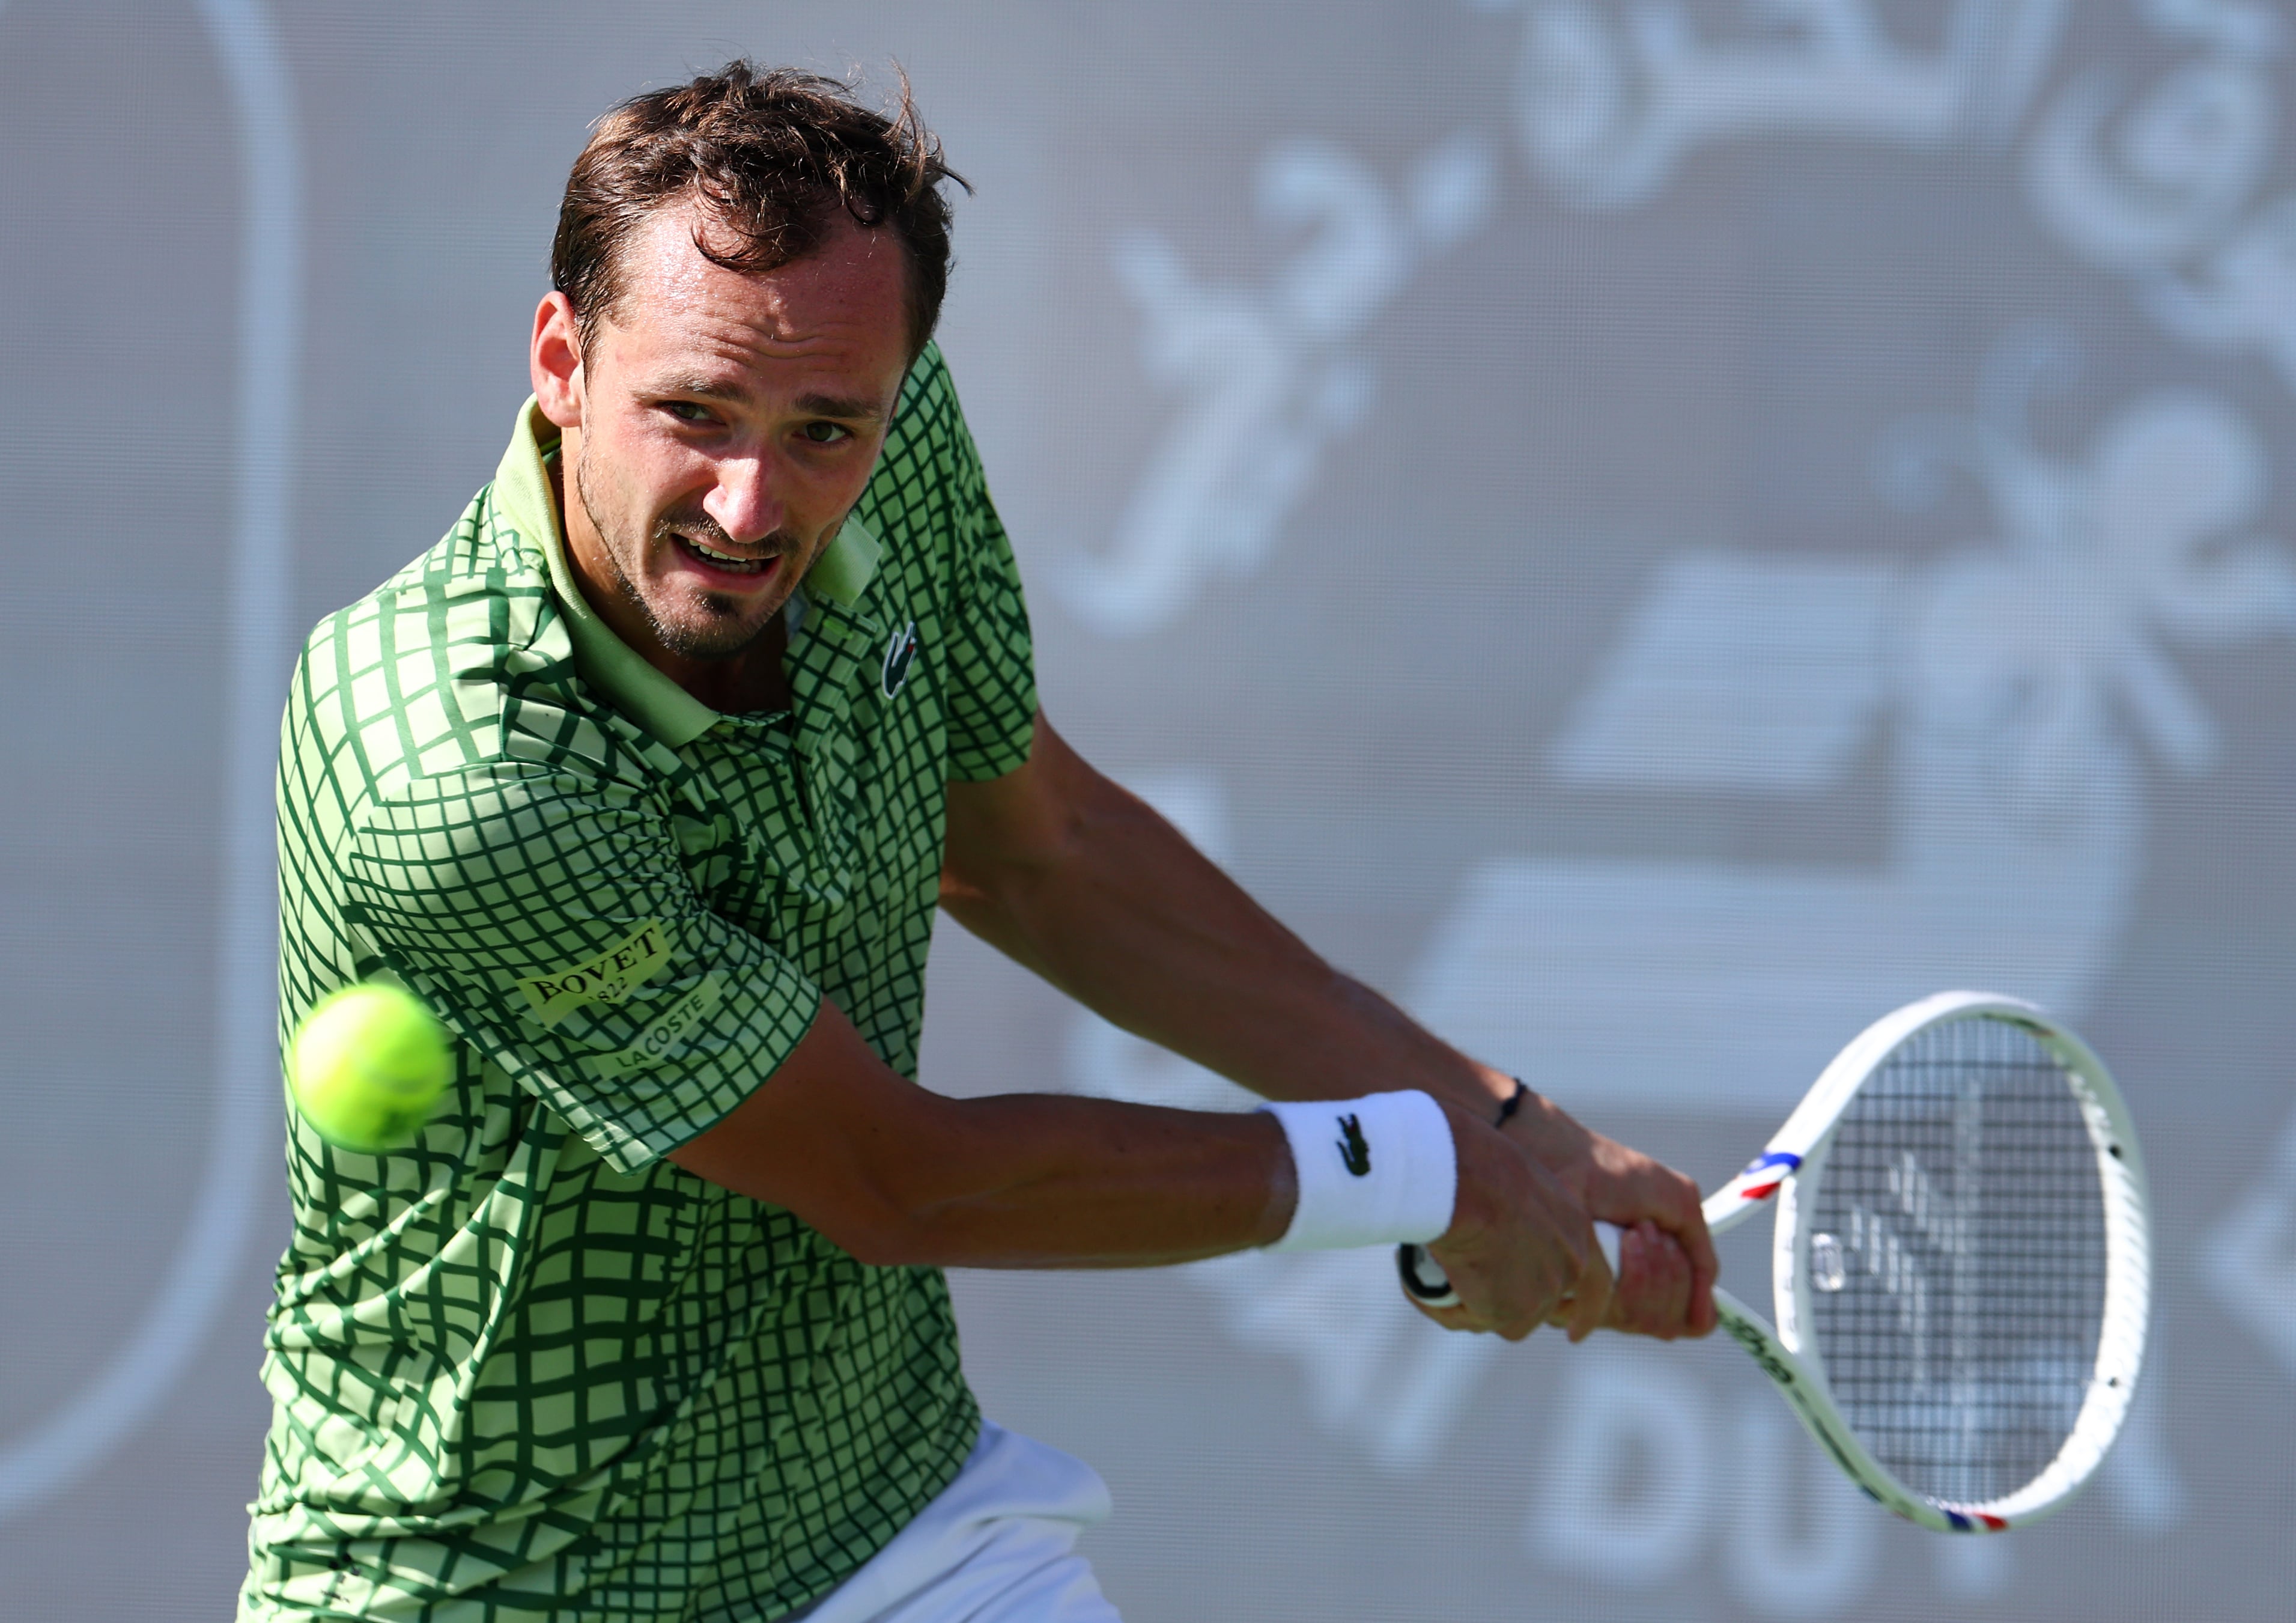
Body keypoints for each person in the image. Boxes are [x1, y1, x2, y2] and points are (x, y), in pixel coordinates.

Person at [240, 62, 1717, 1623]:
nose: (752, 502)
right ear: (562, 359)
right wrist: (1417, 1172)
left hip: (886, 1530)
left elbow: (1038, 851)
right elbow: (901, 1179)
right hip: (494, 1595)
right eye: (694, 413)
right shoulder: (462, 771)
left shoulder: (881, 412)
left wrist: (1491, 1117)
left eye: (824, 428)